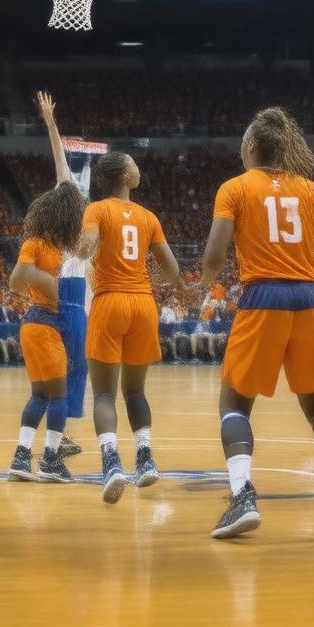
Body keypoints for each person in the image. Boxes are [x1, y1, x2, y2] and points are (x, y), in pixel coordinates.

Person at [199, 107, 314, 541]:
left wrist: (203, 282)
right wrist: (309, 268)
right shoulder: (310, 189)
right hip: (310, 300)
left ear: (252, 146)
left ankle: (242, 497)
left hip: (263, 298)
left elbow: (215, 255)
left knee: (234, 403)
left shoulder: (234, 188)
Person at [78, 150, 188, 504]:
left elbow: (85, 249)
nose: (139, 168)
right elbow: (172, 270)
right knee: (136, 392)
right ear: (125, 176)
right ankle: (145, 458)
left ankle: (111, 464)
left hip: (110, 302)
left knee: (104, 395)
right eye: (134, 164)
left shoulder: (96, 210)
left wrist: (83, 245)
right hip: (143, 304)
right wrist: (150, 282)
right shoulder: (148, 217)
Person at [7, 92, 87, 482]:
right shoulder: (80, 235)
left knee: (44, 392)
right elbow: (62, 170)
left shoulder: (45, 238)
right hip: (65, 312)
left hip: (43, 314)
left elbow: (62, 171)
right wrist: (51, 124)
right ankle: (52, 456)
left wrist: (52, 123)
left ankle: (26, 455)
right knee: (61, 392)